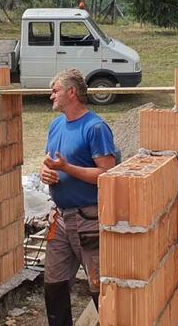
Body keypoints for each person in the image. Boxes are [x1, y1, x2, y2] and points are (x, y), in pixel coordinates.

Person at [39, 69, 118, 326]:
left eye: (56, 91)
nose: (51, 96)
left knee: (99, 288)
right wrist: (45, 172)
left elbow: (108, 174)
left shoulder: (95, 128)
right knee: (54, 284)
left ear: (71, 93)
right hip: (60, 219)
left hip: (88, 219)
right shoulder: (56, 125)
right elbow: (50, 162)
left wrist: (67, 169)